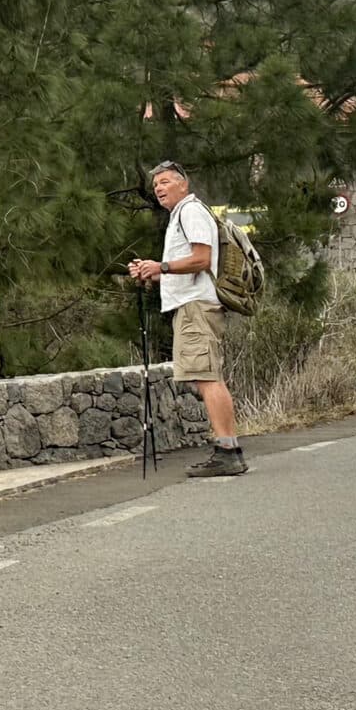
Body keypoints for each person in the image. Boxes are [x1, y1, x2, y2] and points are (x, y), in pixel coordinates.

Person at [127, 160, 246, 478]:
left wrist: (161, 267)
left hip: (197, 307)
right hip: (192, 306)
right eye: (155, 186)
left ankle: (228, 451)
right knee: (206, 376)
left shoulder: (191, 212)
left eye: (165, 182)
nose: (159, 189)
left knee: (208, 377)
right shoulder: (182, 215)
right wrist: (152, 271)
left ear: (183, 184)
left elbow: (201, 258)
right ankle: (227, 448)